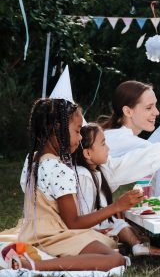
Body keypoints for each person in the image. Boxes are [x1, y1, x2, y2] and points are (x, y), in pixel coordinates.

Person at [17, 98, 141, 271]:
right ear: (57, 129)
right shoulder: (60, 169)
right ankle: (37, 265)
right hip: (51, 237)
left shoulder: (33, 159)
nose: (80, 137)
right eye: (77, 131)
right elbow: (73, 223)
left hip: (32, 232)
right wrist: (117, 206)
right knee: (115, 259)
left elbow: (51, 210)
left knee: (106, 242)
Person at [74, 123, 160, 257]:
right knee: (118, 225)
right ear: (87, 153)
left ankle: (137, 245)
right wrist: (117, 207)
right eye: (103, 144)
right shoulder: (83, 176)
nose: (108, 149)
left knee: (120, 224)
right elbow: (83, 216)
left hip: (99, 224)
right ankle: (132, 245)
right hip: (87, 229)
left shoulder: (97, 172)